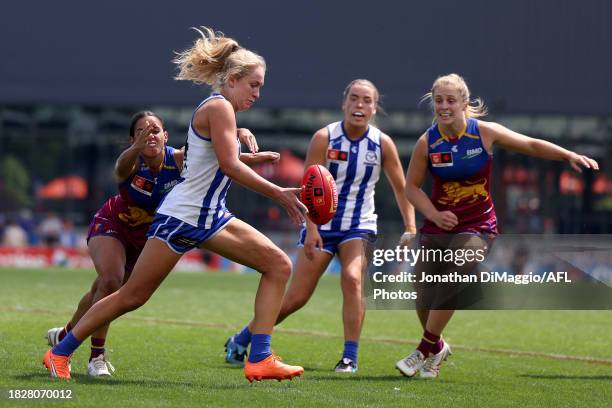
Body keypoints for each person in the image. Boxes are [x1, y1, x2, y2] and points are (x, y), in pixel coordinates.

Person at [42, 26, 307, 382]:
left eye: (260, 85)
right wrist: (278, 192)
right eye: (254, 85)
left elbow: (213, 162)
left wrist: (251, 160)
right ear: (231, 79)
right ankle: (59, 352)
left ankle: (259, 356)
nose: (258, 93)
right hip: (184, 216)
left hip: (209, 216)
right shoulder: (219, 108)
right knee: (131, 294)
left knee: (278, 265)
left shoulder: (222, 109)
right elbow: (228, 164)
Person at [395, 73, 599, 379]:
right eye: (439, 100)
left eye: (451, 100)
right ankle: (438, 347)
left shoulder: (484, 133)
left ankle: (423, 349)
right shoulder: (428, 141)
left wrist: (567, 154)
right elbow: (411, 188)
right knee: (423, 294)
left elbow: (529, 144)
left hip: (479, 226)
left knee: (457, 270)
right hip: (439, 228)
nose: (444, 106)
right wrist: (435, 215)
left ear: (464, 103)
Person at [45, 110, 266, 377]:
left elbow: (219, 158)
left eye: (155, 130)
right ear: (131, 139)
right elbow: (119, 169)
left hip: (151, 237)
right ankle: (97, 357)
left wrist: (237, 133)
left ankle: (66, 334)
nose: (149, 135)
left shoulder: (178, 159)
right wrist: (135, 148)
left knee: (102, 293)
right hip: (113, 225)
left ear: (166, 136)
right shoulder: (131, 162)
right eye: (141, 131)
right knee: (110, 282)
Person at [225, 79, 416, 373]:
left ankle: (349, 357)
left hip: (359, 226)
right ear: (344, 103)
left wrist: (410, 227)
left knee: (353, 280)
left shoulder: (382, 144)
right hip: (321, 226)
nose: (359, 105)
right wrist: (312, 229)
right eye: (354, 98)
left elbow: (402, 188)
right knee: (295, 299)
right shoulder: (324, 138)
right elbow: (309, 186)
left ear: (374, 108)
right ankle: (242, 338)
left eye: (367, 100)